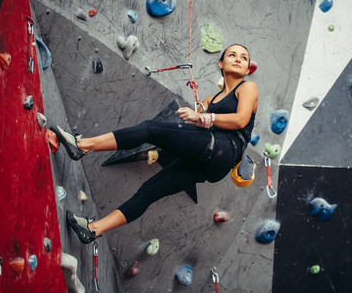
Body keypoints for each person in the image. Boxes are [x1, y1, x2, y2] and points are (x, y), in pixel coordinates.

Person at [52, 44, 258, 244]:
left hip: (224, 149)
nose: (238, 59)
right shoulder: (211, 99)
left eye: (244, 57)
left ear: (248, 69)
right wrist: (200, 115)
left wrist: (207, 117)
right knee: (149, 191)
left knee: (150, 129)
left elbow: (241, 120)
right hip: (207, 162)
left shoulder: (248, 87)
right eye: (232, 55)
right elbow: (200, 125)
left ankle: (83, 145)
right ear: (221, 63)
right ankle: (93, 229)